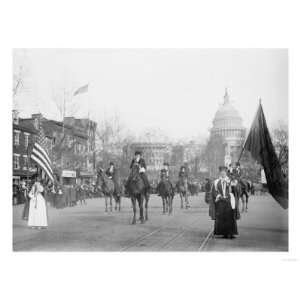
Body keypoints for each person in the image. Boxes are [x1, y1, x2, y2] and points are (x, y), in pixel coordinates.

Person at [211, 166, 238, 239]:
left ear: (226, 173)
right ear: (220, 173)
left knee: (230, 217)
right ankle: (223, 233)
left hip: (229, 201)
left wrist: (233, 185)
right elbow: (214, 191)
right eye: (221, 172)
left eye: (224, 172)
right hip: (220, 201)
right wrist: (219, 196)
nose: (223, 173)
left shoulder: (230, 180)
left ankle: (231, 233)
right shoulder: (216, 182)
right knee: (221, 217)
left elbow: (234, 190)